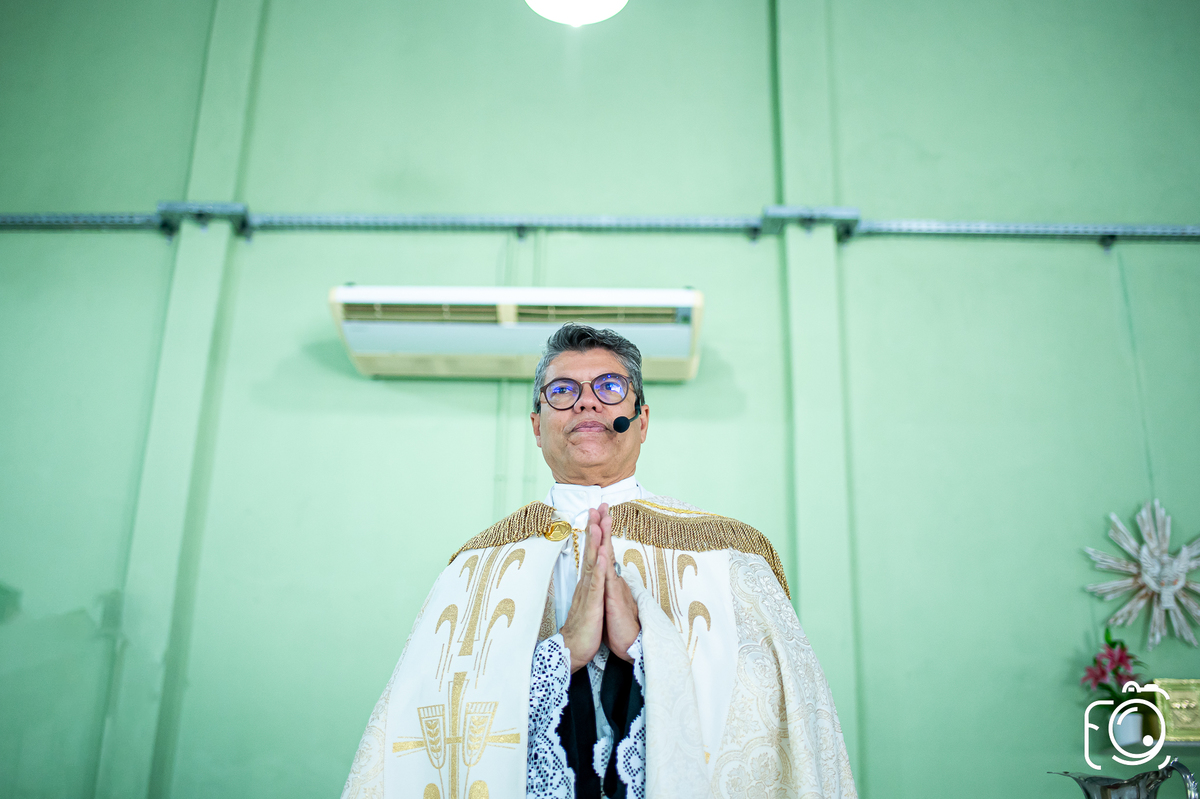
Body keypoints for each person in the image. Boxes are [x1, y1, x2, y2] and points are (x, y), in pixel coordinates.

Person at [341, 324, 857, 799]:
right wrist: (561, 654)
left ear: (643, 419)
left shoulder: (728, 552)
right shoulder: (478, 564)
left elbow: (773, 721)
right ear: (537, 426)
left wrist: (644, 643)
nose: (586, 403)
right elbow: (426, 723)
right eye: (562, 392)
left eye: (609, 387)